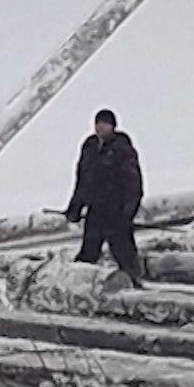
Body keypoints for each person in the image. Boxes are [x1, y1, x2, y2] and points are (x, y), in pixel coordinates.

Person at [65, 109, 147, 282]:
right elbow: (82, 181)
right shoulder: (89, 147)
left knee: (124, 253)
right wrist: (75, 208)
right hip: (95, 210)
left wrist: (127, 214)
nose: (99, 127)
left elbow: (134, 185)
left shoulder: (122, 149)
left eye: (104, 123)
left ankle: (135, 286)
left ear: (113, 126)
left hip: (116, 212)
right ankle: (79, 286)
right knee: (88, 252)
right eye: (97, 123)